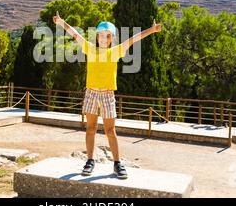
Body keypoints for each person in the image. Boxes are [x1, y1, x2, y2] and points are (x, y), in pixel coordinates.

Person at [53, 11, 163, 179]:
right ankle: (90, 161)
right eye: (101, 36)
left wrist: (152, 29)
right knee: (90, 129)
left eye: (108, 36)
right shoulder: (89, 48)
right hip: (91, 93)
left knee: (110, 130)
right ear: (97, 37)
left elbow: (134, 39)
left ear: (112, 38)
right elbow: (75, 34)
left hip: (107, 94)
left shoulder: (116, 51)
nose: (104, 39)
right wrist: (61, 23)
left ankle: (117, 163)